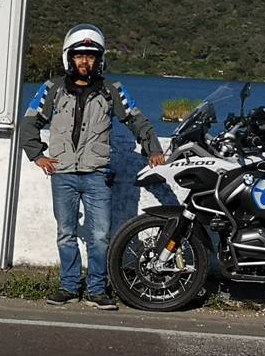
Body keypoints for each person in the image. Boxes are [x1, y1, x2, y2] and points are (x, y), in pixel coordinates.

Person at [21, 23, 165, 309]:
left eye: (91, 56)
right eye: (79, 55)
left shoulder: (112, 91)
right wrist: (38, 155)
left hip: (97, 174)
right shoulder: (53, 89)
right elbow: (29, 122)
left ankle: (98, 290)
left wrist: (153, 149)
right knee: (66, 233)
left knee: (100, 235)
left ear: (100, 59)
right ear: (69, 58)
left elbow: (136, 120)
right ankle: (69, 286)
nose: (85, 61)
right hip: (62, 173)